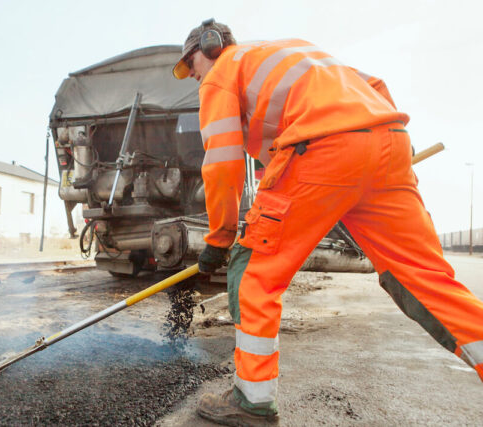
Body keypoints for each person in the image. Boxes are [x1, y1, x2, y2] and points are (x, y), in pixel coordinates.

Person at [172, 18, 483, 426]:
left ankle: (253, 400)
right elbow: (375, 88)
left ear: (208, 46)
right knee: (424, 277)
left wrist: (221, 238)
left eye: (190, 65)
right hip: (388, 141)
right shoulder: (293, 53)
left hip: (324, 148)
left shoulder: (221, 73)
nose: (193, 76)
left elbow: (223, 165)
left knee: (253, 272)